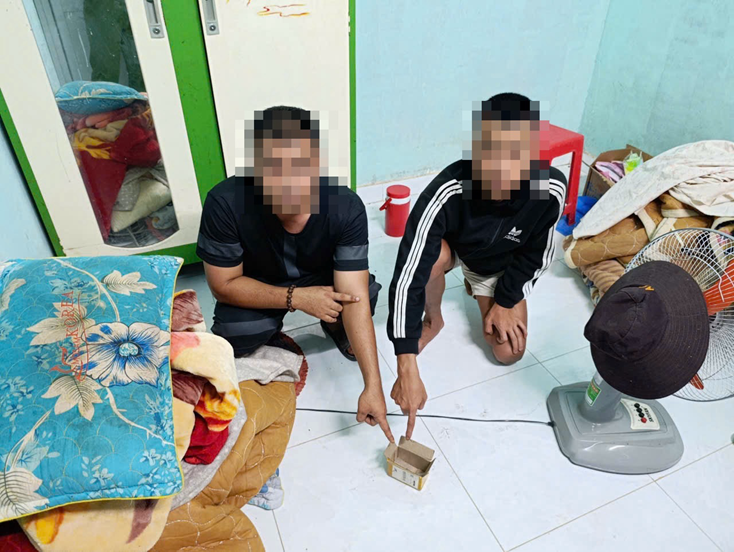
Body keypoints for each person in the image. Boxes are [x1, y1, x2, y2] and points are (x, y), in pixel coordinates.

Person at [196, 106, 394, 442]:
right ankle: (271, 327)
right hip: (258, 281)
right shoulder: (225, 203)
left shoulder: (345, 207)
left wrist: (372, 386)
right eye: (274, 169)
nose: (290, 182)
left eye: (301, 166)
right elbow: (223, 285)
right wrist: (296, 298)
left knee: (362, 296)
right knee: (236, 333)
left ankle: (335, 327)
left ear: (318, 166)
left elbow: (355, 296)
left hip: (319, 278)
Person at [387, 93, 567, 438]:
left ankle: (481, 288)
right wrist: (406, 362)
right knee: (430, 259)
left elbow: (538, 255)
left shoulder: (549, 188)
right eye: (488, 154)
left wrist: (505, 300)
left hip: (498, 267)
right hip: (457, 248)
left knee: (509, 352)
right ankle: (434, 318)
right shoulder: (447, 189)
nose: (497, 170)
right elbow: (408, 274)